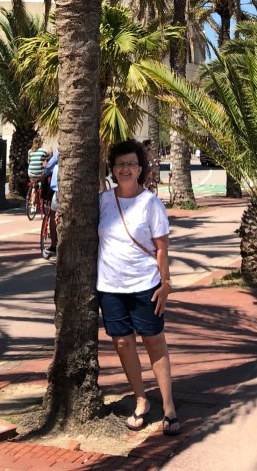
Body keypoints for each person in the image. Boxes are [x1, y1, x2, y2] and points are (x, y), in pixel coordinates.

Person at [98, 139, 179, 436]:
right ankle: (141, 399)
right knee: (122, 343)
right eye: (120, 164)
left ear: (140, 168)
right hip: (110, 286)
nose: (126, 169)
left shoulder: (151, 203)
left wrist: (166, 283)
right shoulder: (103, 201)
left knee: (154, 341)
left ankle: (168, 406)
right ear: (113, 169)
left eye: (131, 164)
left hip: (145, 285)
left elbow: (161, 249)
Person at [41, 149, 59, 259]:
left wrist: (40, 178)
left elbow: (48, 167)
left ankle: (53, 245)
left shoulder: (59, 151)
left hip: (59, 191)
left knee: (52, 214)